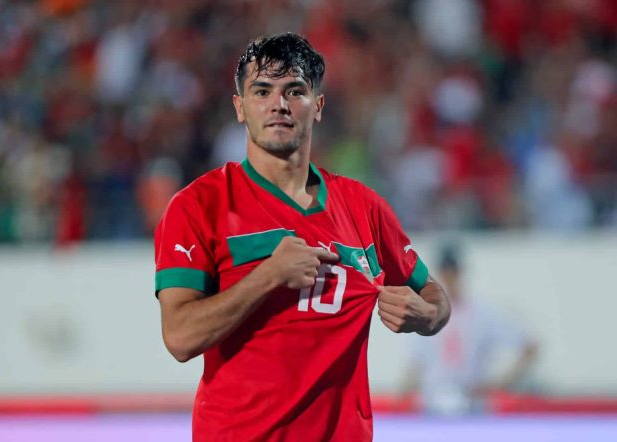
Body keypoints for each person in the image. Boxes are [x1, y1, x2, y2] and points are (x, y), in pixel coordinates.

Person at [154, 33, 450, 441]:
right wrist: (269, 275)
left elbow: (435, 296)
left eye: (294, 91)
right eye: (262, 91)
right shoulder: (198, 206)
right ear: (240, 107)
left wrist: (426, 315)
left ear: (318, 106)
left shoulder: (363, 206)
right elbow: (180, 338)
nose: (279, 104)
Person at [401, 244, 538, 415]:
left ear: (459, 273)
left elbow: (530, 347)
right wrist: (403, 400)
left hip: (473, 405)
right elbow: (415, 366)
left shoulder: (484, 312)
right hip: (432, 405)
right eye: (445, 273)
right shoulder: (424, 313)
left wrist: (499, 384)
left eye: (453, 273)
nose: (449, 279)